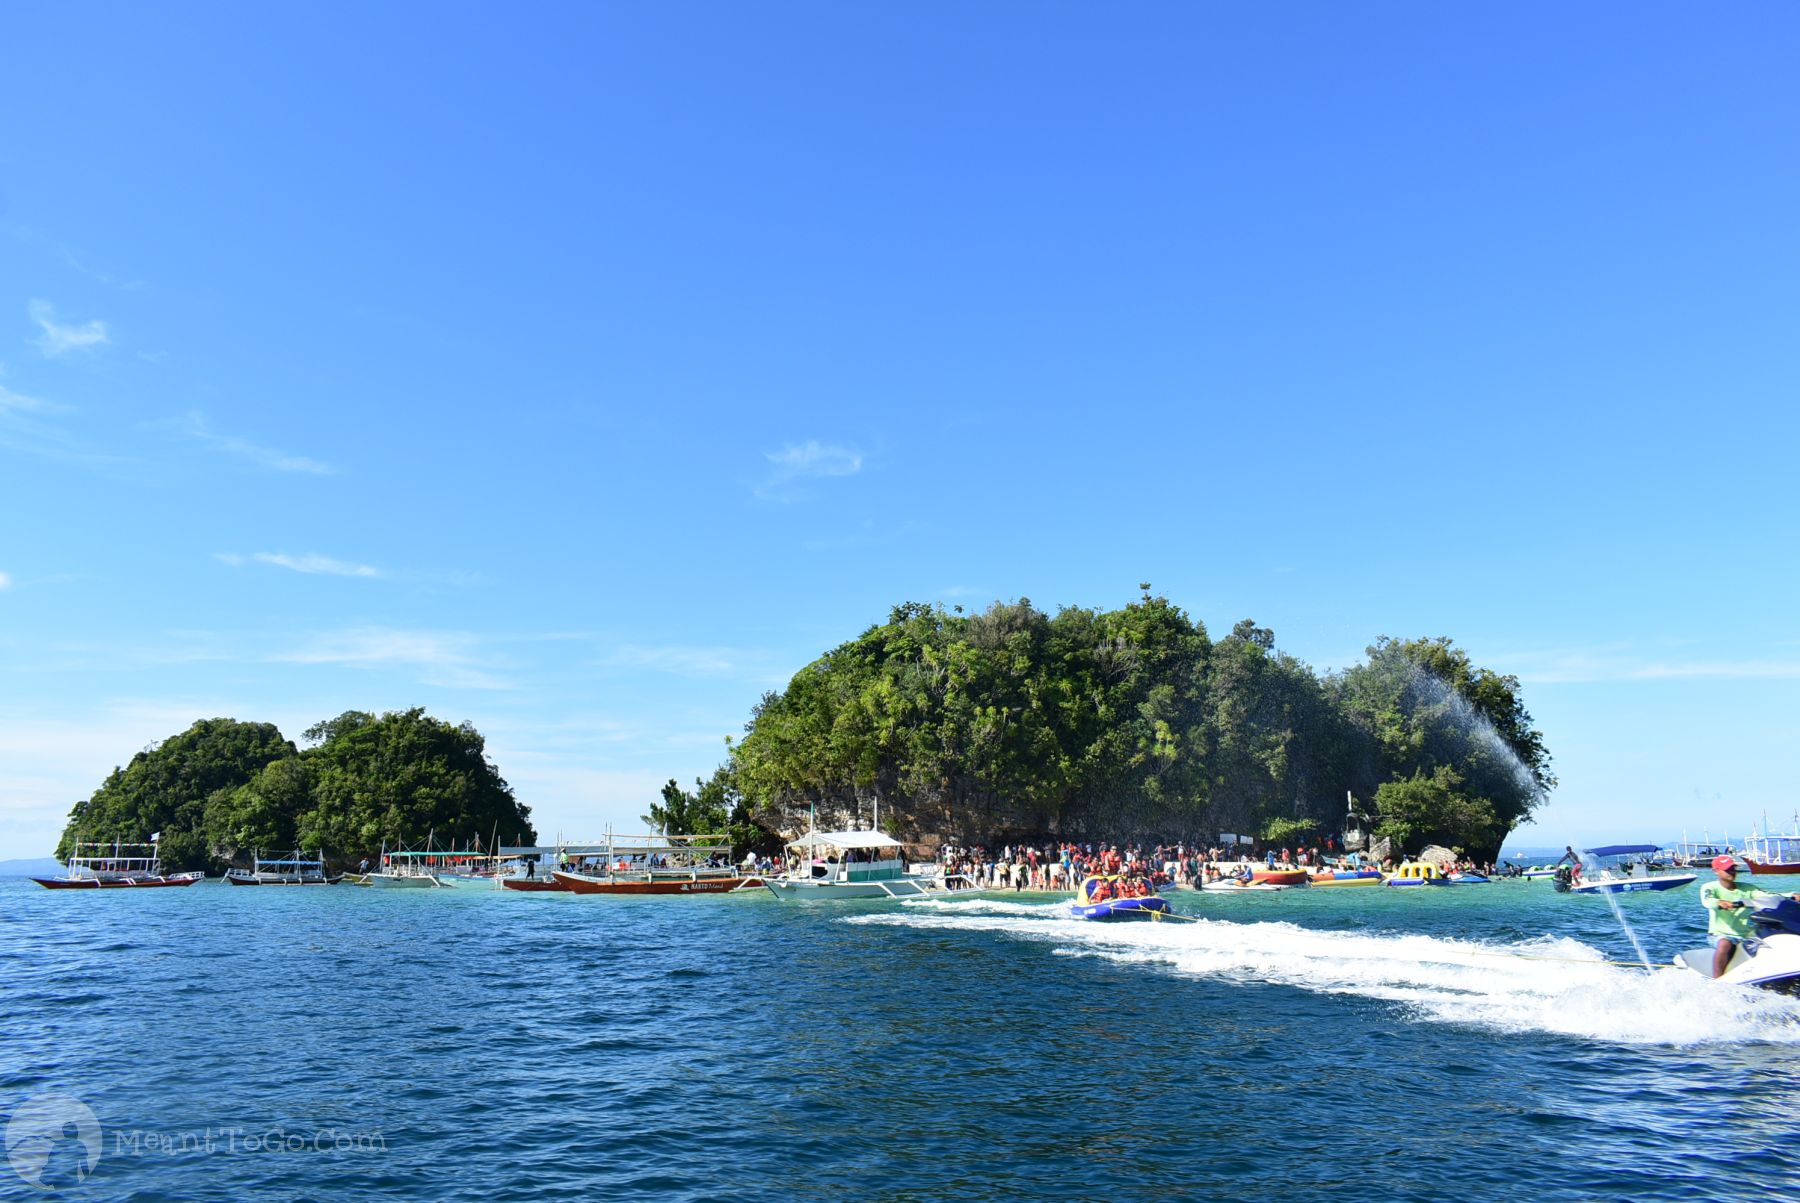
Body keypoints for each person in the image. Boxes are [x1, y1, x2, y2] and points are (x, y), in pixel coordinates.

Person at [1701, 854, 1800, 978]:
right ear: (1716, 871)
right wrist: (1719, 902)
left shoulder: (1747, 889)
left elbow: (1767, 895)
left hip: (1745, 936)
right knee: (1724, 944)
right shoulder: (1710, 888)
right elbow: (1707, 900)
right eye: (1727, 869)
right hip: (1721, 934)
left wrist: (1791, 895)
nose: (1731, 872)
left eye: (1733, 868)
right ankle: (1718, 982)